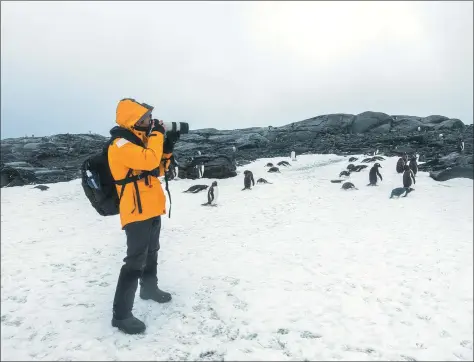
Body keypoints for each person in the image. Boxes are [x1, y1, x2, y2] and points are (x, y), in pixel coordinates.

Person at [108, 98, 176, 335]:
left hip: (151, 206)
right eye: (147, 119)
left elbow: (157, 169)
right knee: (135, 260)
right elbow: (148, 159)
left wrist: (167, 150)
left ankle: (149, 289)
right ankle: (121, 315)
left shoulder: (139, 143)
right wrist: (158, 134)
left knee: (152, 252)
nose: (151, 122)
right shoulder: (120, 145)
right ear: (133, 121)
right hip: (135, 211)